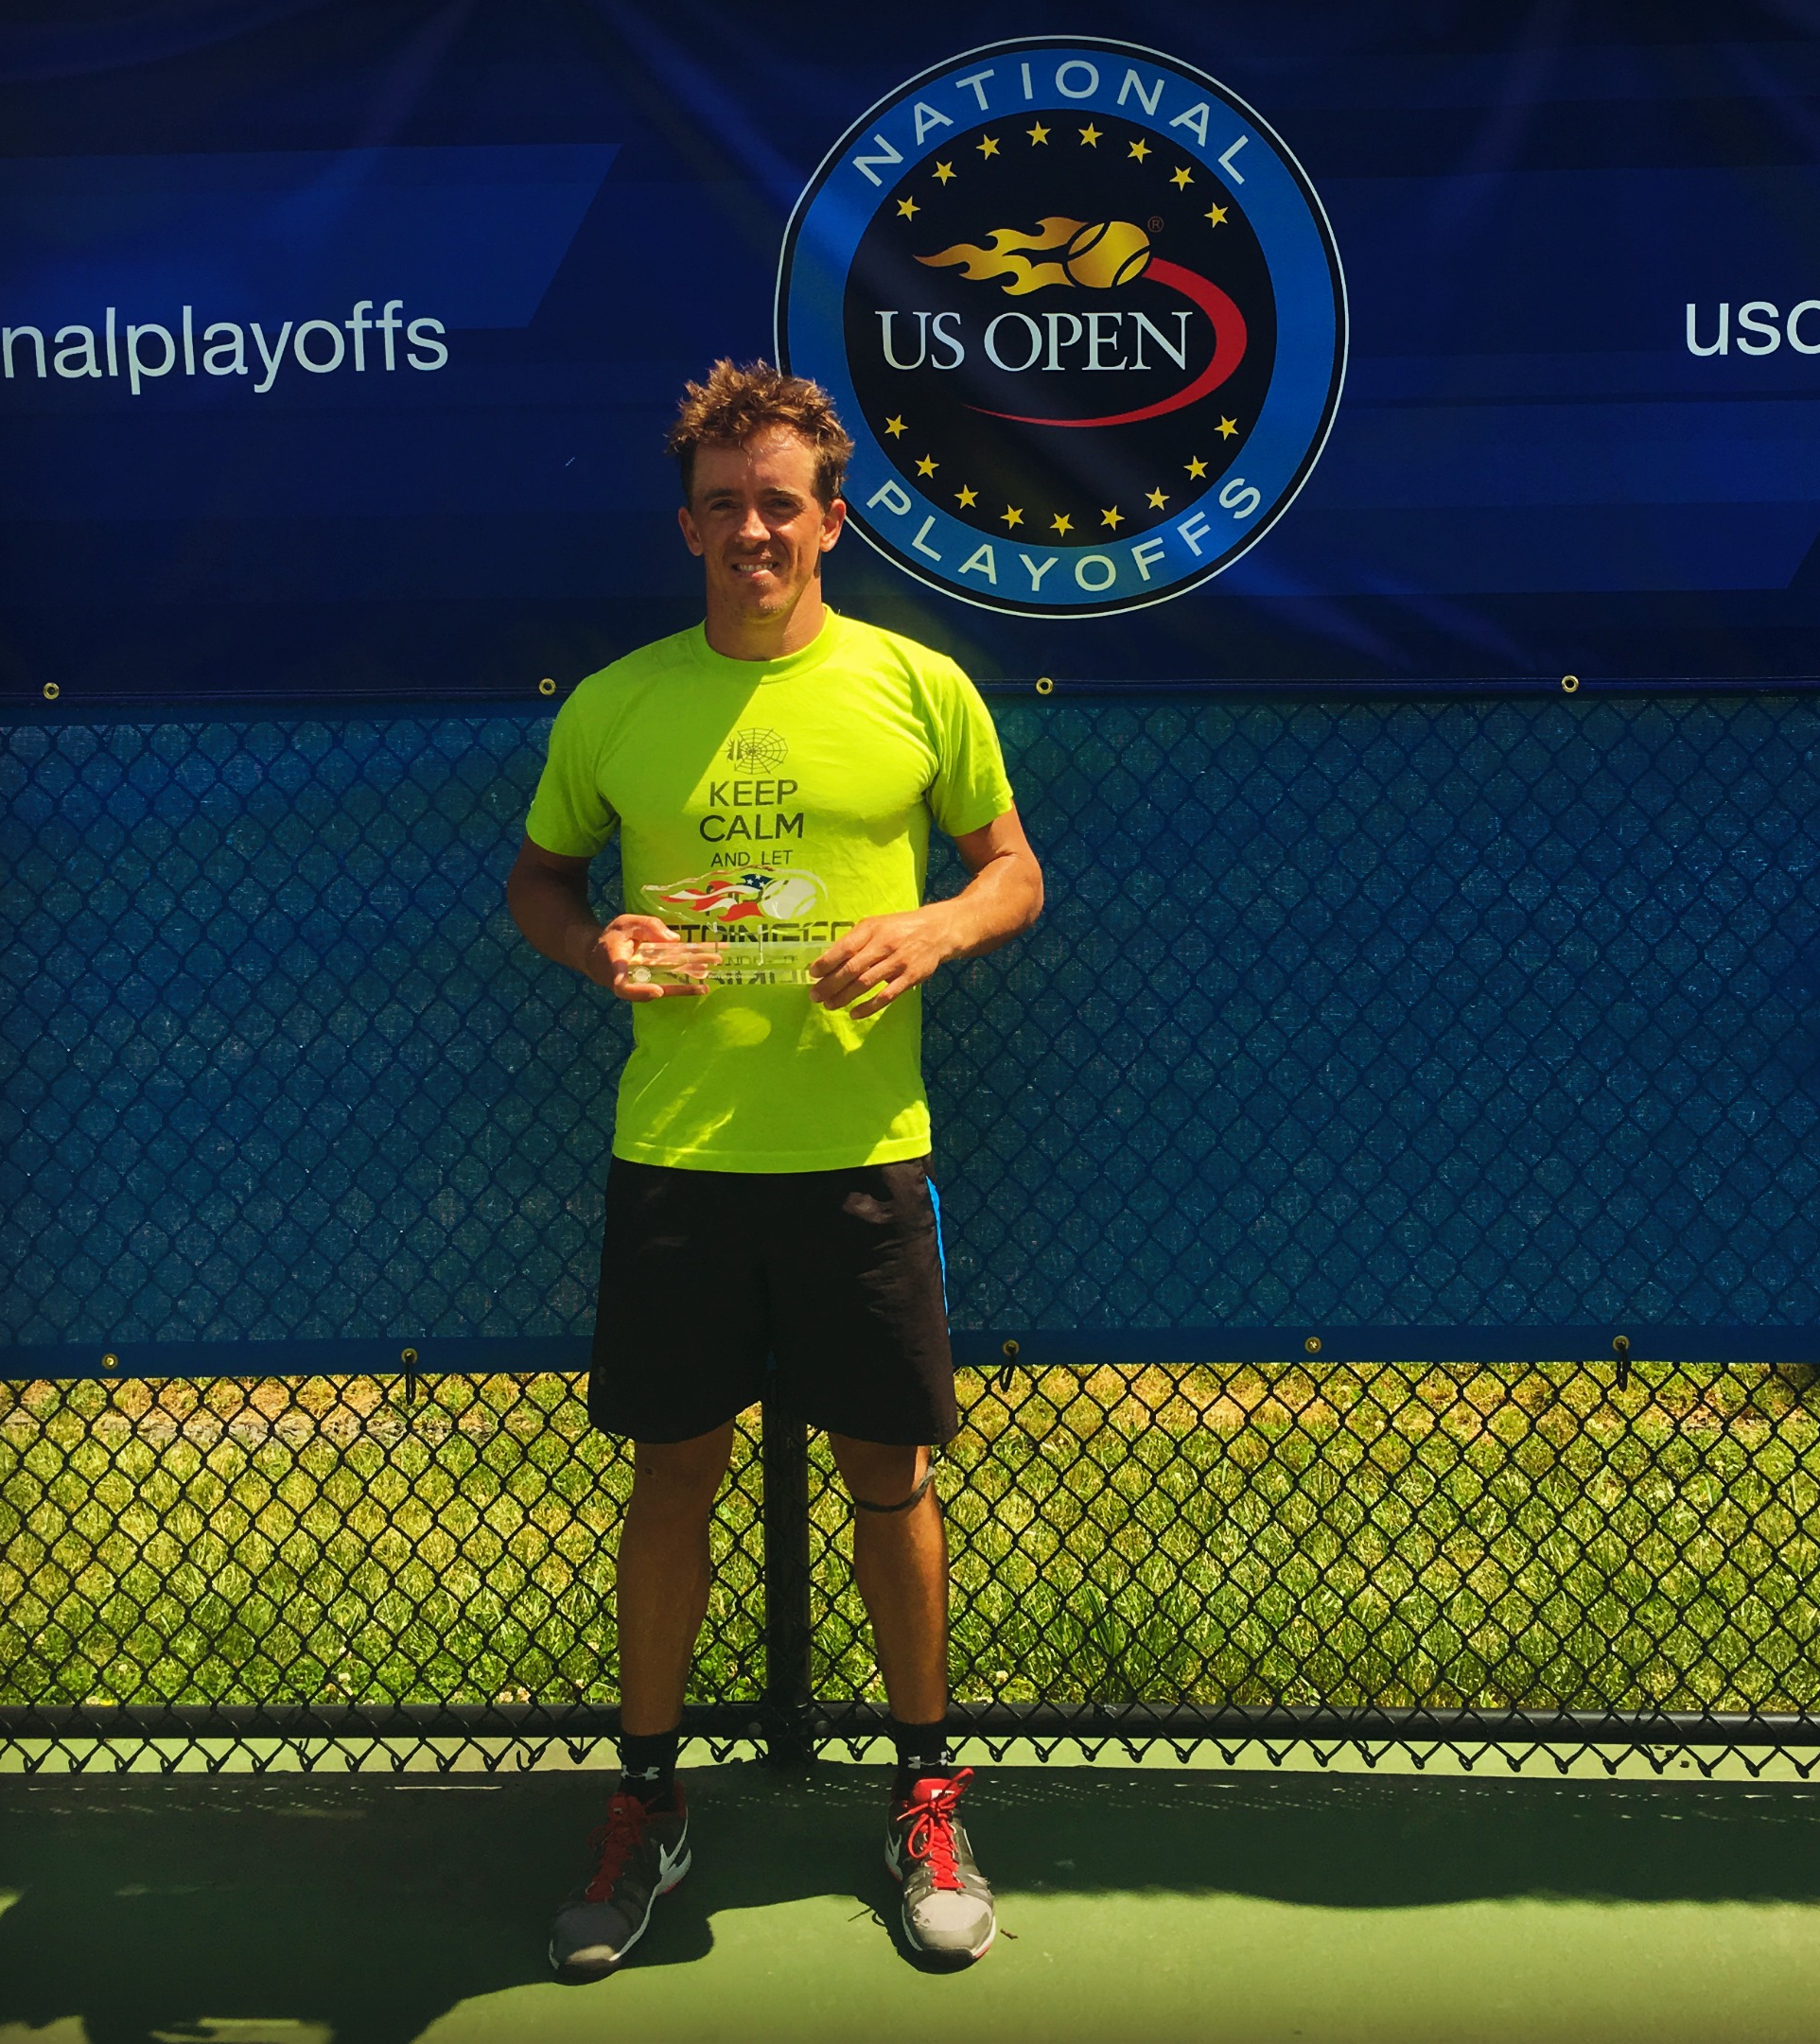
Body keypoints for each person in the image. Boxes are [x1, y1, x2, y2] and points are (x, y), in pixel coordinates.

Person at [506, 359, 1042, 1977]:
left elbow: (1011, 872)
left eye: (780, 503)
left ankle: (925, 1795)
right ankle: (647, 1800)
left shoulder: (919, 687)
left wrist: (934, 929)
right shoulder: (615, 704)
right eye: (725, 504)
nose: (754, 528)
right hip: (676, 1157)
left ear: (830, 520)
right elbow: (538, 882)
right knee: (672, 1476)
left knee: (892, 1475)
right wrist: (599, 946)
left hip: (859, 1158)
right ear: (688, 525)